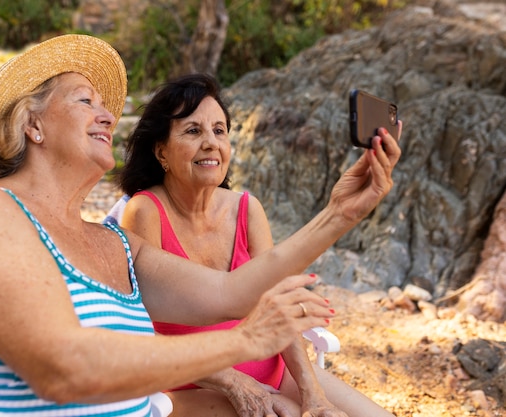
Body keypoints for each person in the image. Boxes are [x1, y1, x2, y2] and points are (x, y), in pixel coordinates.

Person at [0, 33, 398, 417]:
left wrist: (341, 213)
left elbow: (231, 292)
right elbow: (61, 369)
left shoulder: (112, 243)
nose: (107, 115)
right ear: (31, 124)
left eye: (106, 106)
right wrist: (246, 343)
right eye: (85, 100)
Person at [116, 73, 402, 417]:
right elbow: (136, 332)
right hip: (192, 384)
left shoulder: (246, 209)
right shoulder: (144, 212)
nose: (211, 143)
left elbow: (279, 307)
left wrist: (313, 395)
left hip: (274, 373)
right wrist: (234, 382)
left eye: (219, 130)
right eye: (193, 131)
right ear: (161, 151)